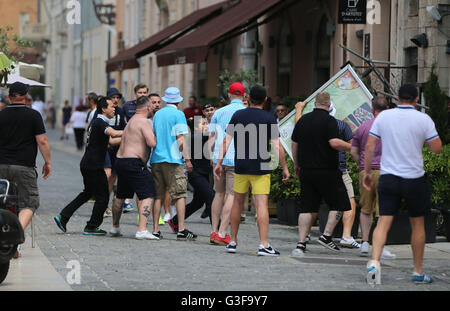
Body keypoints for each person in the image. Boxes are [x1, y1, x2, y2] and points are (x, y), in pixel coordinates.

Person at [363, 84, 442, 285]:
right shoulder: (423, 119)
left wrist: (366, 172)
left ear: (397, 98)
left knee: (383, 221)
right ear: (416, 100)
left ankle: (374, 262)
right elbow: (437, 148)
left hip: (388, 176)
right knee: (418, 224)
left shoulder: (384, 117)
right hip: (414, 178)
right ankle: (417, 271)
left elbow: (370, 145)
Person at [215, 86, 290, 256]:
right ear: (265, 100)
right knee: (261, 205)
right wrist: (285, 167)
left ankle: (232, 241)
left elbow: (226, 141)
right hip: (261, 167)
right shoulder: (269, 117)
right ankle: (263, 244)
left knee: (237, 203)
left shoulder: (238, 115)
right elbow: (277, 145)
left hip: (241, 165)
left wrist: (219, 163)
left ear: (248, 98)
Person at [291, 92, 352, 256]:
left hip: (306, 170)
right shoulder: (330, 121)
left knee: (306, 208)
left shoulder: (303, 120)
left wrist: (297, 164)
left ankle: (301, 243)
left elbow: (294, 144)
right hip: (328, 170)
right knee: (340, 203)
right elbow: (334, 142)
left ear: (315, 103)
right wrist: (351, 148)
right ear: (329, 104)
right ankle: (326, 236)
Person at [54, 96, 123, 235]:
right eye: (111, 106)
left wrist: (126, 138)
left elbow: (110, 141)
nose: (114, 108)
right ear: (103, 109)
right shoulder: (100, 122)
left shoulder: (99, 122)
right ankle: (92, 226)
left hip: (88, 164)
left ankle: (63, 217)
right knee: (103, 197)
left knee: (87, 193)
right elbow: (114, 133)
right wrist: (132, 130)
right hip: (94, 165)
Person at [0, 82, 52, 248]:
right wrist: (48, 162)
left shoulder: (1, 115)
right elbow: (42, 141)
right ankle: (14, 236)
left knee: (3, 202)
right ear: (26, 97)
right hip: (24, 167)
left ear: (9, 97)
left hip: (1, 165)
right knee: (29, 203)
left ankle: (7, 237)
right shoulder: (34, 116)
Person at [350, 96, 396, 259]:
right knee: (383, 211)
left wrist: (362, 165)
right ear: (388, 109)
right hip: (386, 172)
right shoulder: (393, 127)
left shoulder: (363, 127)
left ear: (372, 109)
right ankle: (381, 247)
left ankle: (364, 243)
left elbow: (354, 151)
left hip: (366, 172)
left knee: (365, 208)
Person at [110, 96, 158, 239]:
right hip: (133, 162)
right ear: (148, 107)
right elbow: (151, 143)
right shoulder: (144, 122)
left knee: (120, 195)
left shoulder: (131, 120)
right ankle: (142, 230)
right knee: (149, 194)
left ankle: (115, 227)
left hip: (121, 161)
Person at [152, 87, 197, 240]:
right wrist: (188, 159)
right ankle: (181, 229)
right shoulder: (179, 114)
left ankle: (156, 229)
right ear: (178, 100)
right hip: (173, 159)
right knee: (180, 194)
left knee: (158, 195)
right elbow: (180, 139)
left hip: (157, 158)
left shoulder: (157, 114)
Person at [208, 82, 246, 245]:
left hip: (219, 157)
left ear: (229, 95)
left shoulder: (219, 112)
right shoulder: (246, 113)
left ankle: (214, 231)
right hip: (236, 158)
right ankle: (223, 233)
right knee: (232, 195)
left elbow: (211, 137)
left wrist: (211, 157)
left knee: (218, 194)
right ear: (244, 96)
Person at [103, 88, 126, 217]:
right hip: (105, 148)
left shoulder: (120, 111)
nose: (116, 100)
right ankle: (102, 202)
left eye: (118, 97)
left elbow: (123, 126)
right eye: (113, 97)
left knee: (112, 177)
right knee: (106, 175)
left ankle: (106, 204)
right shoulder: (102, 110)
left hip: (116, 148)